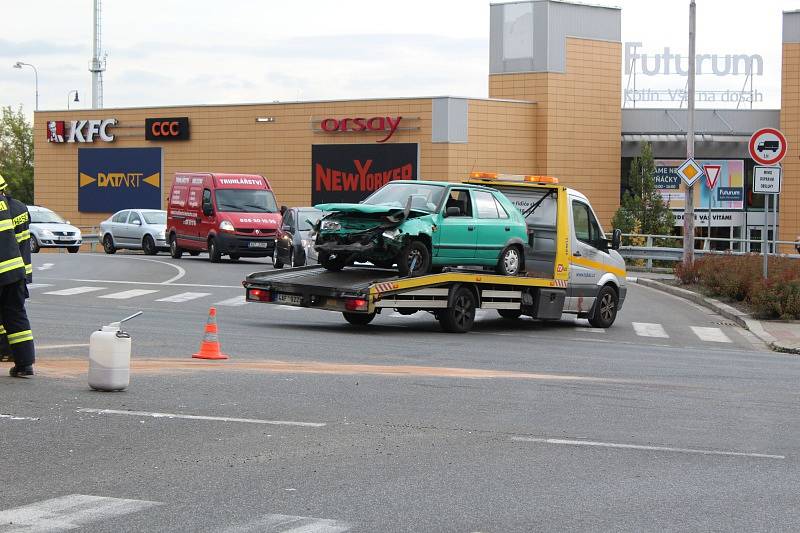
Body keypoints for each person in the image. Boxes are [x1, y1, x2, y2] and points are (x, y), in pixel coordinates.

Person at [0, 174, 35, 377]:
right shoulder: (13, 207)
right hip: (15, 271)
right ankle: (25, 364)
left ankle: (6, 351)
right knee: (16, 316)